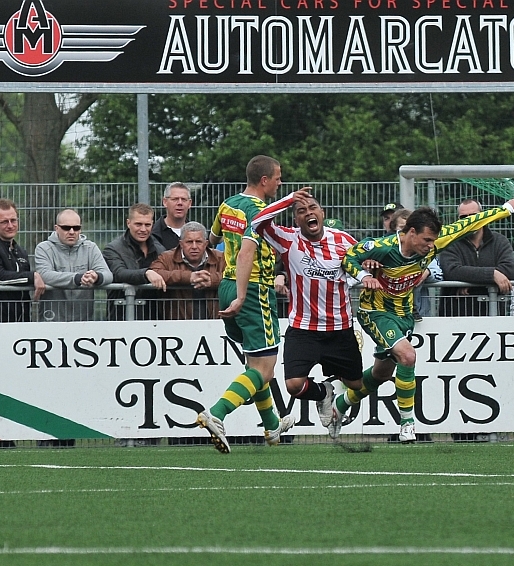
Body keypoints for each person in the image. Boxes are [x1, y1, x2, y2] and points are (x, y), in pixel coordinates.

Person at [338, 197, 514, 443]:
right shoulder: (383, 247)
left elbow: (470, 223)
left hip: (403, 314)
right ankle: (407, 425)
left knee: (381, 373)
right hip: (374, 311)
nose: (431, 246)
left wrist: (505, 210)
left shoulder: (434, 242)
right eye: (427, 240)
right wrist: (364, 276)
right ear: (411, 232)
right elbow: (348, 257)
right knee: (408, 356)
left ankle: (339, 405)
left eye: (433, 240)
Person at [198, 154, 309, 453]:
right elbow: (248, 252)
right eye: (278, 177)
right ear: (264, 180)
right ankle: (216, 414)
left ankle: (272, 425)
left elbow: (212, 239)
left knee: (254, 363)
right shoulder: (260, 211)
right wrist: (244, 294)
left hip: (226, 284)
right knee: (264, 369)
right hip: (253, 290)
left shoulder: (228, 204)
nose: (280, 181)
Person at [250, 195, 369, 439]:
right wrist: (289, 199)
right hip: (303, 328)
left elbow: (362, 264)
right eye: (301, 210)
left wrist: (367, 271)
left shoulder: (343, 240)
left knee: (356, 385)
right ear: (296, 219)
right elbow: (257, 223)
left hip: (340, 328)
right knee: (294, 385)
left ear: (322, 213)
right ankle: (323, 393)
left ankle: (338, 404)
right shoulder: (288, 239)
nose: (308, 213)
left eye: (312, 207)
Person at [439, 198, 514, 317]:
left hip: (493, 317)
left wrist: (468, 283)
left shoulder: (500, 241)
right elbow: (451, 271)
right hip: (455, 319)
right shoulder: (449, 242)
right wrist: (492, 274)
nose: (470, 220)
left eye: (473, 215)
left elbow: (510, 270)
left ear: (483, 216)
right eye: (464, 217)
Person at [34, 208, 113, 322]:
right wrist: (77, 278)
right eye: (66, 228)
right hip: (52, 321)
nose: (71, 232)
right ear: (56, 228)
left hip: (84, 322)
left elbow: (108, 275)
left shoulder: (90, 248)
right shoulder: (44, 248)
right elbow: (45, 275)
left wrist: (96, 277)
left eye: (76, 228)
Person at [103, 203, 167, 321]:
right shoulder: (113, 249)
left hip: (155, 319)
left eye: (147, 225)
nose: (143, 229)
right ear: (128, 223)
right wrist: (146, 273)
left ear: (152, 224)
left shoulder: (160, 249)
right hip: (122, 318)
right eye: (138, 224)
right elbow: (119, 273)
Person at [149, 221, 224, 320]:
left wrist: (212, 280)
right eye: (189, 242)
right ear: (181, 244)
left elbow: (238, 275)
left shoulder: (220, 258)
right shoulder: (166, 258)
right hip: (178, 326)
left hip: (215, 324)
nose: (194, 246)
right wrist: (189, 277)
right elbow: (154, 271)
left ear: (206, 243)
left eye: (198, 242)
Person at [0, 198, 45, 322]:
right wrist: (33, 276)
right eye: (4, 222)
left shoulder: (20, 250)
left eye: (13, 220)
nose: (10, 225)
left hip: (21, 323)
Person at [389, 207, 443, 320]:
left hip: (421, 315)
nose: (407, 233)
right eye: (403, 228)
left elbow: (439, 274)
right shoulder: (385, 249)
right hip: (391, 315)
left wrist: (427, 272)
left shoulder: (426, 250)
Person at [152, 182, 192, 250]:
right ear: (165, 202)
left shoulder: (198, 234)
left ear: (190, 203)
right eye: (175, 199)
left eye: (184, 199)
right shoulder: (153, 235)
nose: (180, 203)